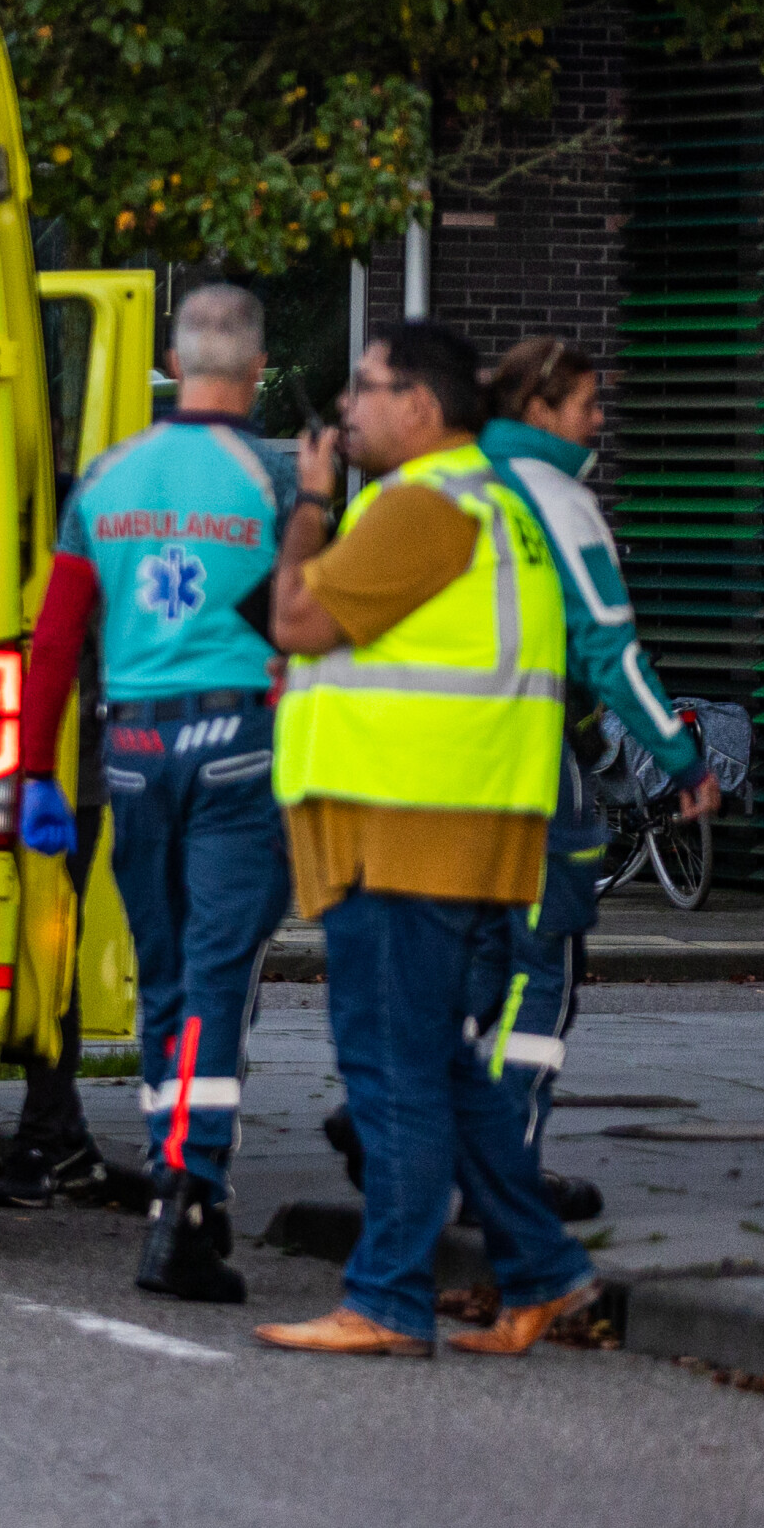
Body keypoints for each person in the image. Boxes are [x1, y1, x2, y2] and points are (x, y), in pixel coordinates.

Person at [256, 321, 598, 1357]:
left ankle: (388, 1298)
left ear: (418, 406)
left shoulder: (422, 505)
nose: (345, 409)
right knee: (444, 1068)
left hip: (406, 827)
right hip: (456, 821)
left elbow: (296, 622)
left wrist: (308, 504)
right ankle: (543, 1271)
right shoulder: (492, 507)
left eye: (363, 388)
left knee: (391, 1069)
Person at [14, 284, 296, 1297]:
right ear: (256, 369)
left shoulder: (104, 479)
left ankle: (171, 1183)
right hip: (238, 749)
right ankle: (187, 1194)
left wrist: (34, 773)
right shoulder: (277, 475)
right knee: (218, 978)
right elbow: (317, 619)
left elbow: (53, 641)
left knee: (166, 977)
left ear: (172, 366)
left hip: (129, 748)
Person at [472, 338, 718, 1207]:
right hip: (531, 771)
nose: (599, 421)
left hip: (423, 779)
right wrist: (681, 758)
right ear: (538, 408)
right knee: (540, 971)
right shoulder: (556, 500)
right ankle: (504, 1170)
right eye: (586, 404)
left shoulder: (437, 484)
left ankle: (424, 1129)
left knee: (463, 969)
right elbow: (609, 648)